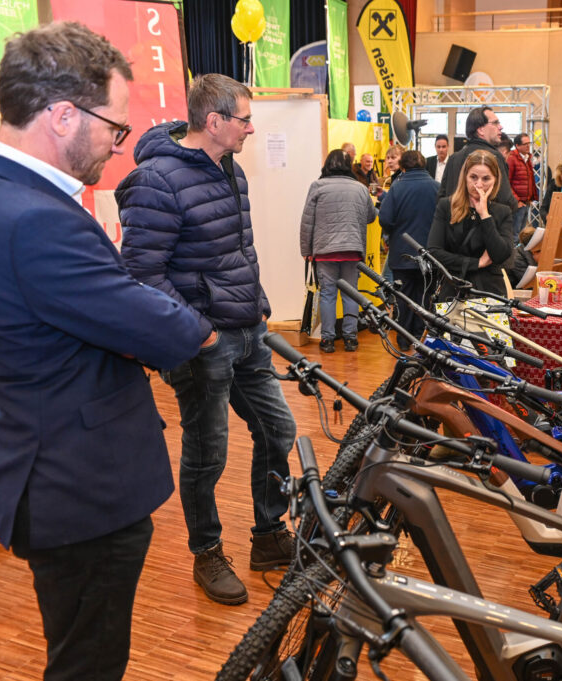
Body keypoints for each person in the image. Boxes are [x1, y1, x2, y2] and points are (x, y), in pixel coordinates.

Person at [0, 22, 202, 680]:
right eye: (115, 128)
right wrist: (192, 321)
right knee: (88, 663)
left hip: (61, 471)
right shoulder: (32, 216)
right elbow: (162, 329)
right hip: (78, 489)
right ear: (63, 115)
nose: (118, 148)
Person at [116, 73, 298, 606]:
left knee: (279, 430)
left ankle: (269, 535)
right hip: (202, 343)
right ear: (214, 121)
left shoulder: (229, 168)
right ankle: (207, 552)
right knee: (207, 453)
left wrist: (258, 304)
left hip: (248, 331)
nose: (251, 128)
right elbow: (142, 274)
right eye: (245, 119)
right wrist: (201, 333)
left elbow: (238, 250)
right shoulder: (156, 181)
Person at [300, 149, 377, 353]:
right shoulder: (360, 188)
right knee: (351, 295)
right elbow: (371, 216)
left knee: (328, 295)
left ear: (327, 165)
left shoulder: (317, 186)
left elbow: (307, 221)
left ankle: (328, 340)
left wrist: (306, 250)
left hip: (325, 251)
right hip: (352, 250)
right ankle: (351, 339)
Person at [428, 149, 514, 299]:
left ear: (495, 180)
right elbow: (434, 252)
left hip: (489, 292)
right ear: (465, 177)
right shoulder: (446, 206)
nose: (478, 185)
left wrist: (485, 215)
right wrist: (476, 263)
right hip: (453, 290)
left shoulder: (502, 211)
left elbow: (501, 255)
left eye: (486, 179)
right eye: (473, 177)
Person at [379, 150, 439, 349]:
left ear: (403, 167)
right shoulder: (437, 187)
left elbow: (385, 219)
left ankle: (404, 340)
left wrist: (394, 233)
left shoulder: (397, 188)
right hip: (430, 254)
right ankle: (421, 339)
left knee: (403, 298)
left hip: (402, 252)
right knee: (425, 296)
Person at [437, 106, 518, 217]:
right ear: (480, 130)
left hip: (455, 223)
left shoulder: (454, 158)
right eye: (495, 123)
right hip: (486, 224)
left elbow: (442, 197)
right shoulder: (494, 157)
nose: (500, 127)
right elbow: (506, 200)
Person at [507, 132, 539, 239]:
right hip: (517, 203)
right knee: (515, 235)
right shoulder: (512, 158)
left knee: (521, 233)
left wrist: (531, 198)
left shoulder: (527, 158)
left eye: (529, 143)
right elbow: (507, 182)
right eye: (525, 144)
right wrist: (517, 200)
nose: (528, 146)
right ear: (517, 145)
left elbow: (530, 180)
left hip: (525, 202)